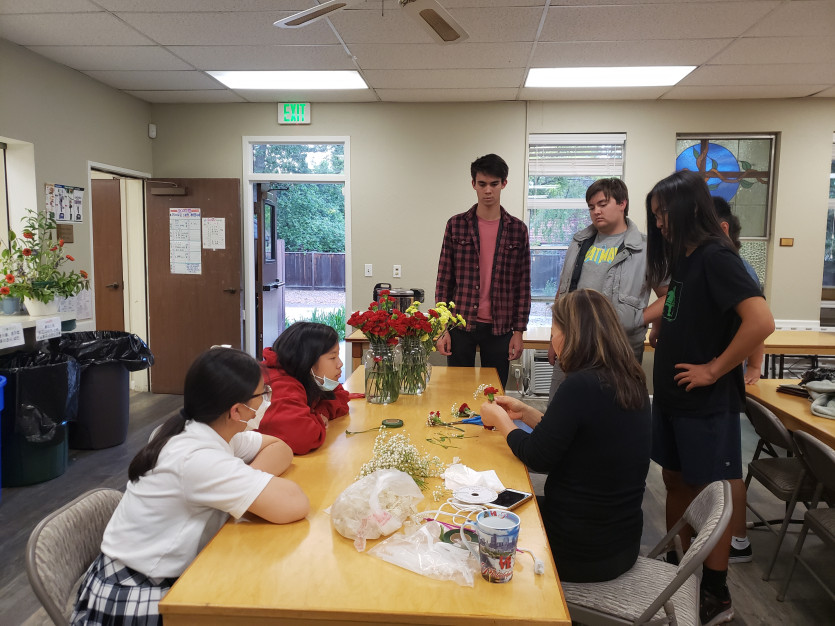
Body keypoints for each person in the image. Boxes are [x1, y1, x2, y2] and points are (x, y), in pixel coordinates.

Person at [72, 347, 310, 625]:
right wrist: (247, 486)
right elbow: (295, 503)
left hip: (144, 573)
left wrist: (246, 484)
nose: (265, 401)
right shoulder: (196, 457)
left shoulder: (201, 429)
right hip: (136, 592)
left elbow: (281, 448)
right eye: (262, 394)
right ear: (237, 410)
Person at [646, 171, 774, 626]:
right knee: (675, 480)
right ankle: (680, 570)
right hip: (673, 398)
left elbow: (761, 321)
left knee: (712, 496)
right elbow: (679, 306)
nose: (659, 222)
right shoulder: (684, 257)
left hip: (705, 404)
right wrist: (660, 324)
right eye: (655, 215)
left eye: (664, 213)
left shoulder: (718, 256)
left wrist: (715, 369)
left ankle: (716, 593)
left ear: (687, 208)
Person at [480, 289, 651, 583]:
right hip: (621, 543)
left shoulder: (580, 386)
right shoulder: (630, 379)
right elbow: (582, 437)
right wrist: (526, 413)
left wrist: (501, 420)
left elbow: (537, 456)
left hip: (579, 552)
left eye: (554, 332)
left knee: (481, 515)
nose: (552, 340)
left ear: (571, 335)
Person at [547, 178, 666, 398]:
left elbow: (670, 295)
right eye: (591, 207)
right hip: (573, 344)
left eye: (602, 204)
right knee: (563, 409)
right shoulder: (579, 242)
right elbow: (562, 292)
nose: (596, 211)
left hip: (620, 349)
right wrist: (554, 337)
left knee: (614, 410)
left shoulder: (646, 248)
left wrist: (640, 319)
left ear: (622, 203)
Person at [435, 153, 531, 389]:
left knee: (494, 393)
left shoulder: (517, 229)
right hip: (460, 324)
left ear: (504, 184)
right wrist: (442, 328)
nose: (488, 190)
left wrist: (519, 331)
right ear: (473, 184)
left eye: (494, 184)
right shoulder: (456, 225)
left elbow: (523, 284)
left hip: (501, 327)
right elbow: (444, 279)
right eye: (482, 184)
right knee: (457, 391)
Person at [713, 195, 765, 565]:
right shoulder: (710, 263)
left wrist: (753, 367)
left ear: (722, 228)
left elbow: (758, 322)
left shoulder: (736, 267)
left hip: (722, 382)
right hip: (714, 381)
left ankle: (739, 540)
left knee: (727, 465)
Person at [257, 322, 350, 454]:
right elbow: (303, 438)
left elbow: (340, 394)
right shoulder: (280, 385)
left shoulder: (304, 375)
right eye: (333, 357)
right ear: (307, 360)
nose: (340, 364)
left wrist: (319, 412)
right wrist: (316, 417)